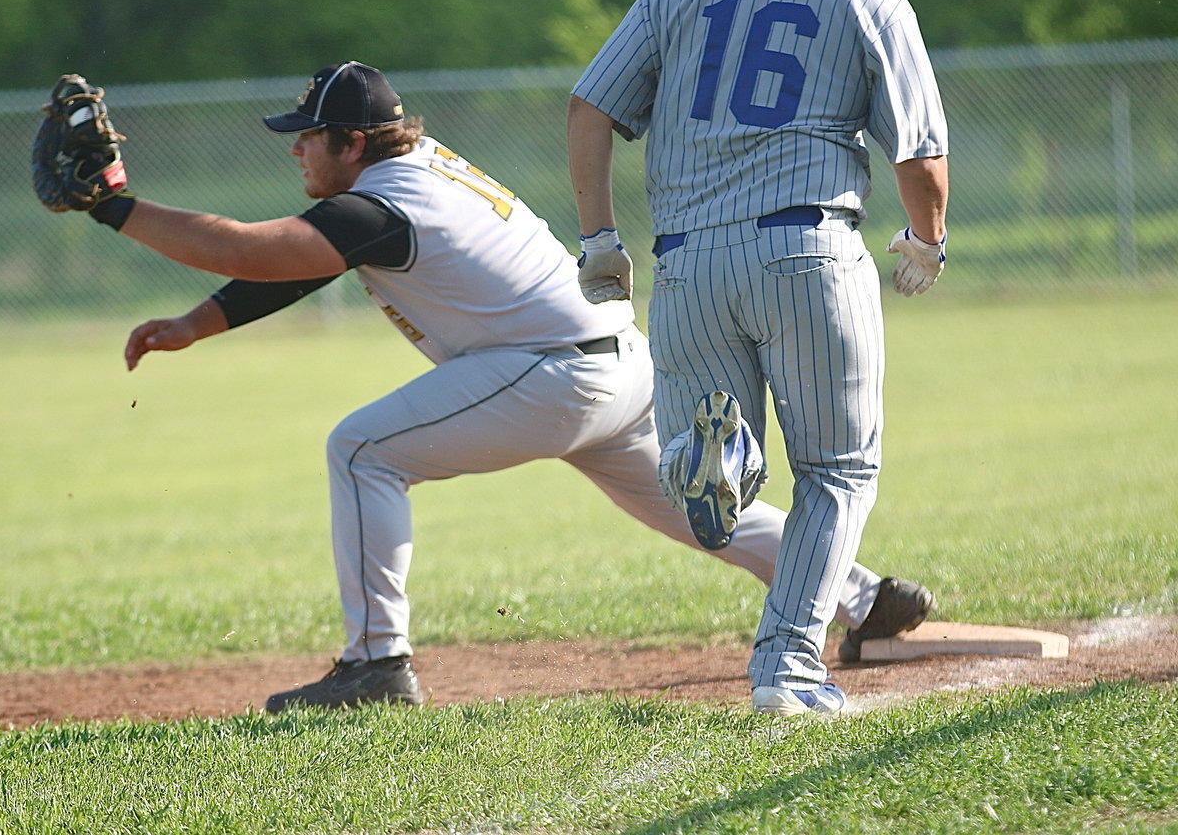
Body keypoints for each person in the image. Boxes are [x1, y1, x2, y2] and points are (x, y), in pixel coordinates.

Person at [64, 60, 932, 711]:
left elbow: (260, 250)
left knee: (361, 450)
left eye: (308, 134)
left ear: (351, 144)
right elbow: (293, 267)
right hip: (615, 364)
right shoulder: (414, 172)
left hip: (554, 374)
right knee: (702, 514)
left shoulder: (380, 201)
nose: (296, 146)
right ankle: (862, 598)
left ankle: (377, 664)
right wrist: (196, 324)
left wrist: (115, 205)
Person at [566, 0, 949, 716]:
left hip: (689, 261)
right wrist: (928, 240)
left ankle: (711, 466)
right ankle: (787, 669)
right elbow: (919, 156)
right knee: (838, 472)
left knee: (716, 466)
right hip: (808, 251)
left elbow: (590, 108)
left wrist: (598, 239)